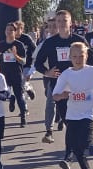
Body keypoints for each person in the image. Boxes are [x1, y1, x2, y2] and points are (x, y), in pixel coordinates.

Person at [33, 9, 87, 144]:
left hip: (78, 84)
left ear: (71, 23)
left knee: (81, 115)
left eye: (65, 20)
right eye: (59, 21)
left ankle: (86, 139)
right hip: (59, 84)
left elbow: (92, 60)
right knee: (65, 115)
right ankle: (75, 143)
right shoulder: (50, 42)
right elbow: (38, 63)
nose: (62, 23)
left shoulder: (78, 40)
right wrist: (47, 72)